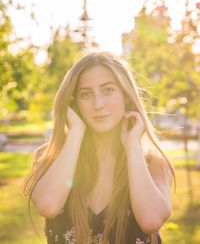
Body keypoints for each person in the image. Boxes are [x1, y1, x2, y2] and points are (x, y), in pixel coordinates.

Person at [23, 50, 175, 244]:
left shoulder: (152, 163)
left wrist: (132, 147)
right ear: (73, 101)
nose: (98, 104)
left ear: (126, 95)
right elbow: (48, 205)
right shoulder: (52, 158)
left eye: (108, 90)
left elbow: (150, 220)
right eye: (86, 94)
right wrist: (76, 130)